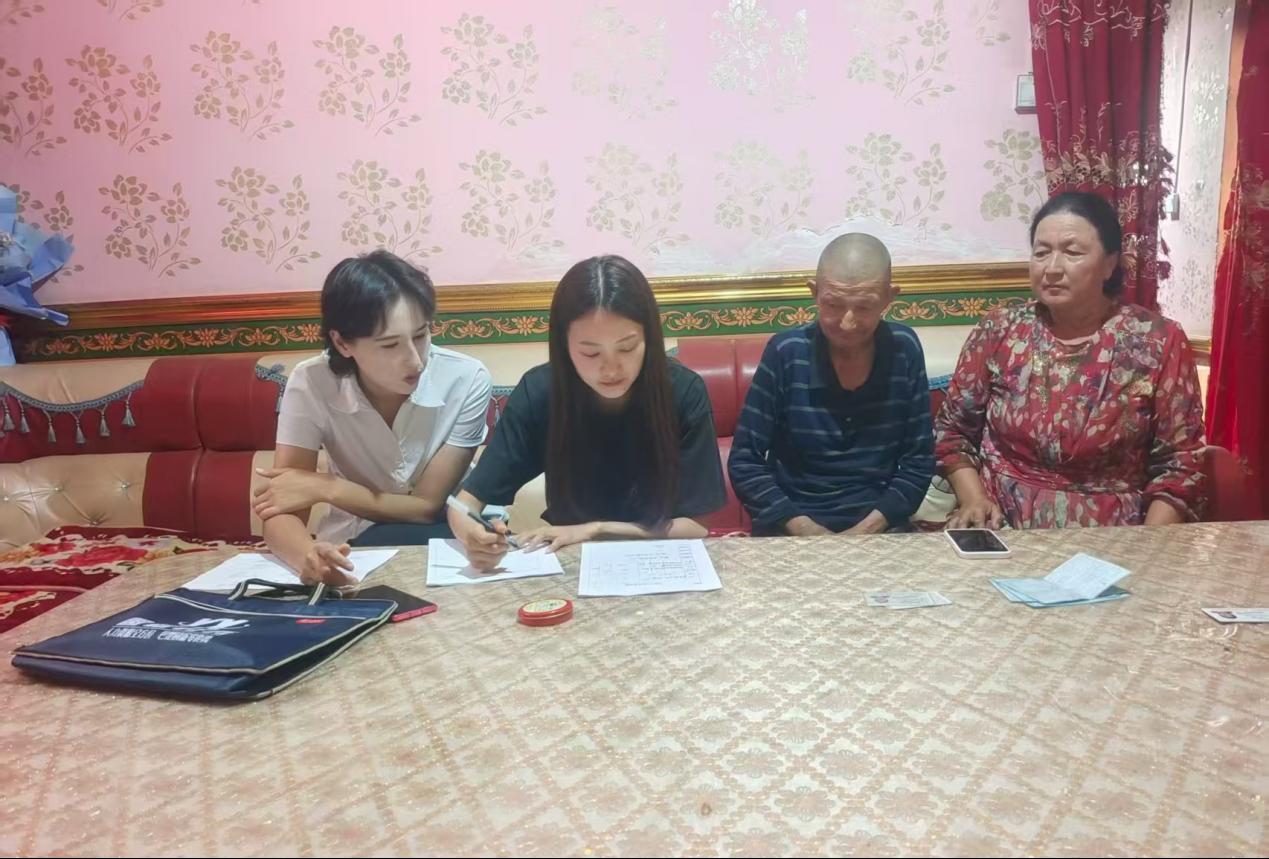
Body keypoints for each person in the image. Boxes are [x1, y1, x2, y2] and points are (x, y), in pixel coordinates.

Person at [935, 190, 1205, 529]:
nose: (1051, 268)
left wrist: (1145, 546)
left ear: (1110, 264)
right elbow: (953, 432)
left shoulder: (1158, 341)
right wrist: (974, 500)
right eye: (1041, 253)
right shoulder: (1000, 329)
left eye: (1072, 252)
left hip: (1113, 533)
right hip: (1000, 523)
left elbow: (1179, 464)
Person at [448, 254, 726, 570]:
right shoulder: (540, 393)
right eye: (590, 353)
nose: (611, 369)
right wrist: (473, 536)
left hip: (661, 561)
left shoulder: (683, 391)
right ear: (563, 345)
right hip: (571, 565)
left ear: (649, 338)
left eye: (627, 348)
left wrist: (594, 530)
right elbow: (463, 505)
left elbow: (696, 526)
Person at [255, 250, 492, 584]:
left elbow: (426, 506)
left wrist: (328, 487)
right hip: (355, 546)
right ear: (342, 343)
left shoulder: (466, 379)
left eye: (421, 335)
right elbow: (281, 505)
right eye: (390, 345)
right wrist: (307, 556)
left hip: (449, 538)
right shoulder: (311, 382)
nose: (415, 361)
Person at [728, 233, 935, 535]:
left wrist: (863, 533)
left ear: (889, 297)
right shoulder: (786, 353)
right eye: (833, 305)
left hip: (879, 527)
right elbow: (745, 461)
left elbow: (919, 461)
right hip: (792, 527)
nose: (847, 323)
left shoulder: (903, 349)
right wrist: (806, 530)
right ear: (814, 293)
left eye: (864, 307)